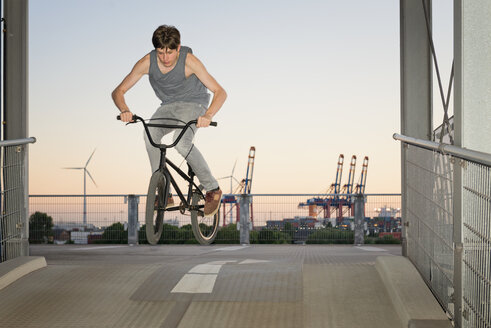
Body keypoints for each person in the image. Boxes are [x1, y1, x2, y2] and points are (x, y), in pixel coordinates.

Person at [112, 25, 226, 217]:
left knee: (181, 143)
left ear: (178, 48)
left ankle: (212, 188)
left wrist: (208, 115)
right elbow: (118, 91)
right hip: (167, 106)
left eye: (170, 52)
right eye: (160, 52)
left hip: (193, 104)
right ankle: (164, 191)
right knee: (150, 136)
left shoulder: (190, 61)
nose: (165, 58)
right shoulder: (146, 63)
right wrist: (124, 109)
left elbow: (220, 92)